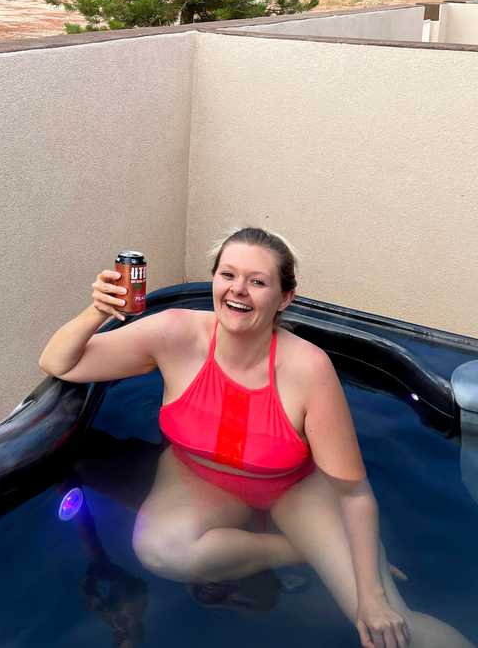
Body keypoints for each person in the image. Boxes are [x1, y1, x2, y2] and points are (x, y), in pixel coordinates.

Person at [39, 228, 474, 648]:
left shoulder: (309, 369)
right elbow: (60, 362)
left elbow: (354, 492)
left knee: (392, 631)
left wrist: (372, 597)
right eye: (227, 275)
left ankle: (335, 557)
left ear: (285, 298)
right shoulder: (175, 334)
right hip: (197, 476)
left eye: (257, 281)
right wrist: (98, 310)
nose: (237, 290)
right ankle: (299, 551)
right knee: (158, 549)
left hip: (292, 487)